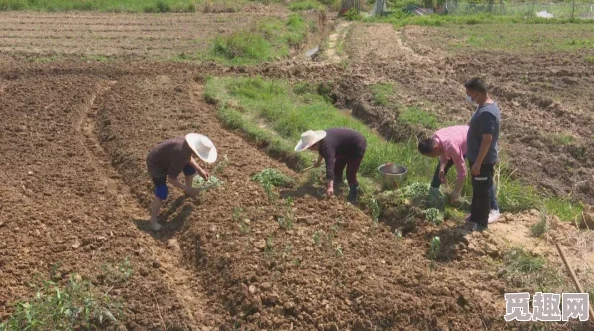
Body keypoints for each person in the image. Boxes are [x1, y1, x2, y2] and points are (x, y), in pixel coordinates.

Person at [418, 125, 500, 223]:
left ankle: (494, 208)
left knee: (482, 176)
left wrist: (456, 191)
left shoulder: (452, 147)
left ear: (435, 148)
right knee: (442, 168)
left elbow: (462, 172)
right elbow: (442, 153)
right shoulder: (436, 138)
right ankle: (433, 191)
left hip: (477, 143)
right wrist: (442, 168)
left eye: (431, 156)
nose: (432, 158)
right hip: (462, 138)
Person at [146, 133, 217, 231]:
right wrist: (188, 189)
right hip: (156, 164)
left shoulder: (187, 145)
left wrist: (200, 169)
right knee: (162, 191)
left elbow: (188, 157)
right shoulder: (180, 154)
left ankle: (188, 192)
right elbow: (171, 179)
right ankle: (153, 221)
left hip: (167, 157)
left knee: (190, 168)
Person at [464, 77, 501, 231]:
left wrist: (478, 162)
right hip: (476, 158)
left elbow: (487, 140)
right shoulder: (483, 107)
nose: (469, 98)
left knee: (482, 192)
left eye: (470, 94)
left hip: (483, 161)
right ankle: (474, 216)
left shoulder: (487, 113)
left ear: (477, 93)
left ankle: (481, 224)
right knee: (478, 188)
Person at [295, 128, 367, 203]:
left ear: (314, 144)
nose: (310, 150)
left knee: (350, 174)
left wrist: (329, 187)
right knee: (338, 168)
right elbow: (321, 151)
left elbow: (330, 167)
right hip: (344, 146)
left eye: (309, 148)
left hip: (356, 145)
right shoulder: (321, 142)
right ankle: (337, 186)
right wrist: (318, 162)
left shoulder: (327, 147)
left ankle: (353, 195)